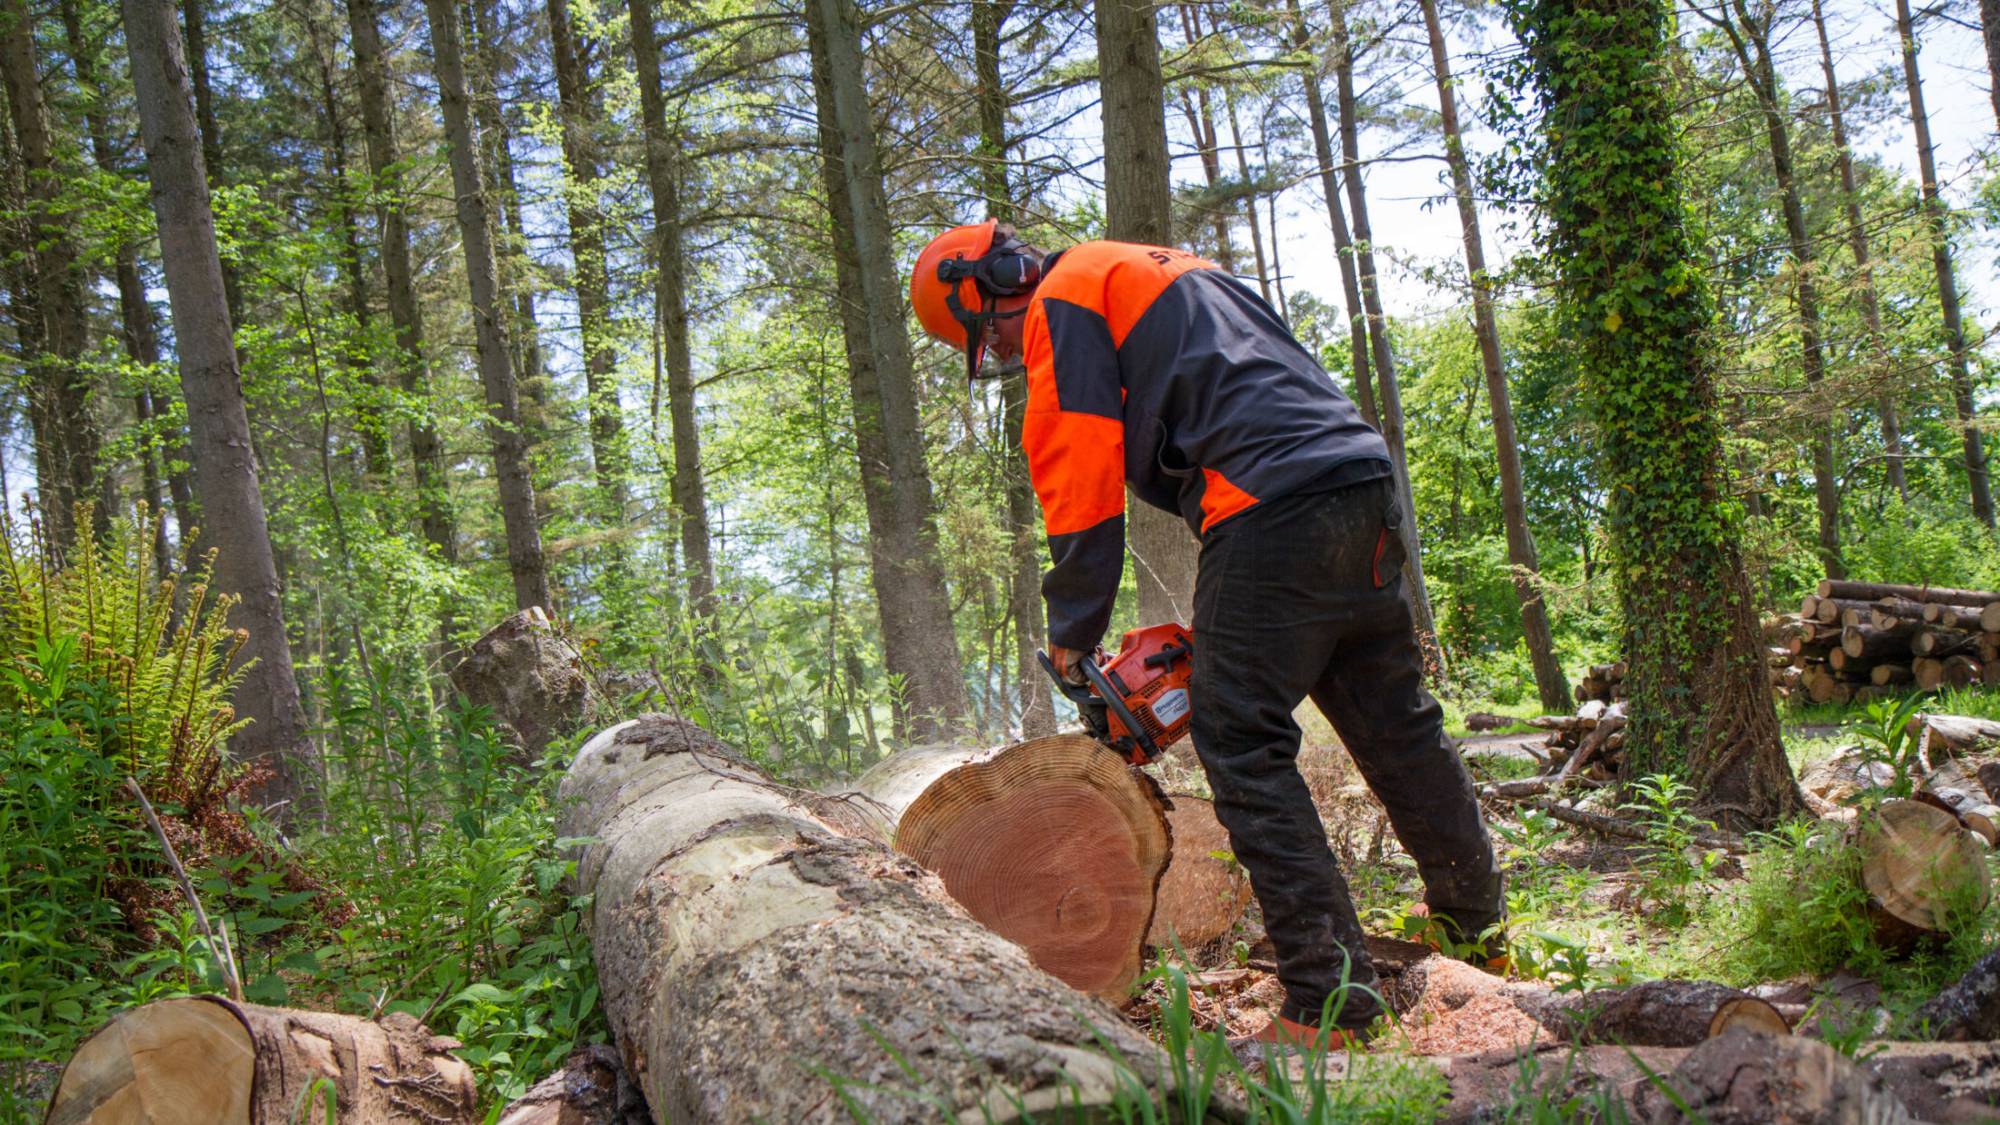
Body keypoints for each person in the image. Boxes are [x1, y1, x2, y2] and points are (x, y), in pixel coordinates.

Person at [909, 220, 1506, 1046]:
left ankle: (1332, 1003)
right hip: (1358, 483)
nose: (1011, 352)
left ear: (983, 289)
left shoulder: (1065, 296)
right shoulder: (1166, 270)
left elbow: (1076, 461)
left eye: (995, 339)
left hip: (1270, 501)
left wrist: (1074, 630)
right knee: (1396, 721)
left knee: (1237, 733)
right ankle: (1476, 935)